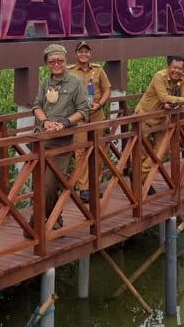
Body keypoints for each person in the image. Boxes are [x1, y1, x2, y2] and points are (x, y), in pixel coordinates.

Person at [27, 43, 90, 236]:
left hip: (61, 142)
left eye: (60, 61)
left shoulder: (76, 82)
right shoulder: (46, 83)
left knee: (49, 183)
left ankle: (35, 221)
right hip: (41, 139)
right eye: (52, 61)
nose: (56, 64)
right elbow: (37, 105)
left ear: (66, 61)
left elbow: (83, 110)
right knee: (40, 184)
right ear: (47, 63)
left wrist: (64, 123)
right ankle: (56, 215)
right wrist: (45, 121)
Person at [133, 55, 184, 195]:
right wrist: (183, 100)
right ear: (168, 67)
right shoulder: (159, 76)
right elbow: (164, 97)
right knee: (141, 152)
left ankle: (139, 177)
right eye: (174, 68)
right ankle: (142, 182)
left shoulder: (183, 78)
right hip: (146, 116)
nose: (177, 71)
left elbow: (179, 98)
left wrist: (177, 102)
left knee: (162, 151)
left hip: (162, 118)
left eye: (180, 68)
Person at [68, 41, 112, 204]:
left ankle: (95, 185)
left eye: (86, 52)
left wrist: (100, 104)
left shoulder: (98, 70)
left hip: (97, 114)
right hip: (79, 116)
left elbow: (107, 88)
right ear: (76, 54)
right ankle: (84, 189)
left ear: (90, 54)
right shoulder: (70, 72)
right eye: (81, 52)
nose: (84, 54)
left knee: (99, 150)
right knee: (81, 152)